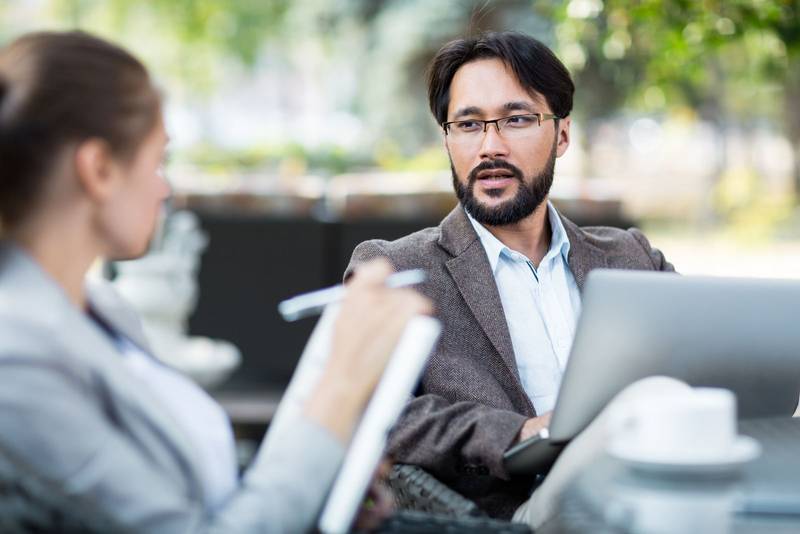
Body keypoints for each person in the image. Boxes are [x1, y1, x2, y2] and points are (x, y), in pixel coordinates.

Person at [0, 30, 430, 533]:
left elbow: (181, 494)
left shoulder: (102, 311)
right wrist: (342, 383)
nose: (164, 188)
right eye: (158, 160)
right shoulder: (17, 359)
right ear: (99, 169)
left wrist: (318, 487)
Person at [345, 31, 675, 521]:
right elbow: (367, 408)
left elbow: (709, 366)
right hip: (516, 514)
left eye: (517, 119)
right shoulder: (396, 271)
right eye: (468, 124)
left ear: (562, 135)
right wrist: (520, 434)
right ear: (447, 139)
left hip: (656, 490)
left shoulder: (632, 257)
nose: (490, 146)